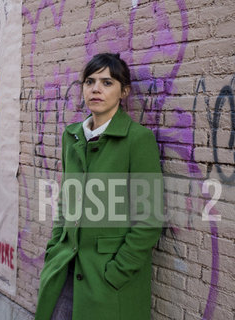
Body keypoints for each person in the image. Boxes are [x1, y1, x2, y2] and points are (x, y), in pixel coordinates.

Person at [35, 53, 163, 320]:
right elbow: (65, 201)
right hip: (65, 268)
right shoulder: (72, 137)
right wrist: (55, 247)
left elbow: (149, 219)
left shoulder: (137, 140)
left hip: (106, 278)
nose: (95, 89)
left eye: (107, 83)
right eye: (90, 81)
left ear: (123, 91)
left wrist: (117, 271)